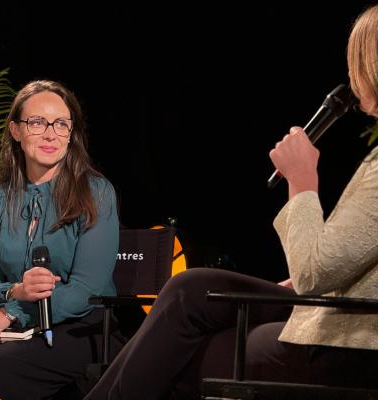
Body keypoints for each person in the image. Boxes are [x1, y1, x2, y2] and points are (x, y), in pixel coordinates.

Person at [83, 4, 378, 400]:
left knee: (174, 351)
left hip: (349, 345)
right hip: (338, 313)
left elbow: (314, 274)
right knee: (191, 287)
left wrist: (303, 181)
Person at [0, 80, 125, 399]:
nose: (50, 133)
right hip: (10, 331)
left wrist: (11, 311)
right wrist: (15, 292)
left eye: (61, 123)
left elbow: (88, 290)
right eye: (37, 122)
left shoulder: (96, 193)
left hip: (81, 329)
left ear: (71, 133)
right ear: (16, 130)